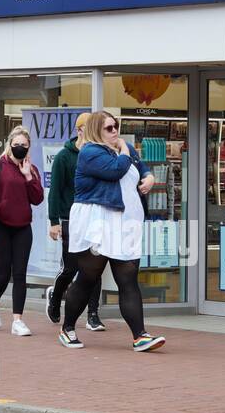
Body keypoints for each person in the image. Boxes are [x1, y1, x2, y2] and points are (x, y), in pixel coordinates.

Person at [58, 111, 165, 352]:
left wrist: (149, 177)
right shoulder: (89, 152)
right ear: (97, 130)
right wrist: (125, 151)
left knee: (128, 279)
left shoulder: (124, 147)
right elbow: (116, 169)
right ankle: (68, 328)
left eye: (116, 126)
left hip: (125, 224)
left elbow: (142, 167)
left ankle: (140, 336)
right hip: (97, 221)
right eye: (108, 128)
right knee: (88, 278)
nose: (115, 131)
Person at [0, 125, 45, 336]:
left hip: (23, 227)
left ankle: (18, 320)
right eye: (16, 145)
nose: (20, 148)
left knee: (20, 274)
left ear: (29, 147)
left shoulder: (31, 170)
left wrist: (28, 177)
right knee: (3, 275)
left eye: (24, 145)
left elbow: (37, 199)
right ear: (9, 145)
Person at [44, 111, 104, 331]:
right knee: (70, 268)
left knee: (94, 267)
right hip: (70, 218)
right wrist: (53, 221)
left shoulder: (99, 155)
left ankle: (93, 314)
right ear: (79, 131)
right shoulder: (64, 157)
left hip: (94, 219)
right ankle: (55, 296)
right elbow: (55, 191)